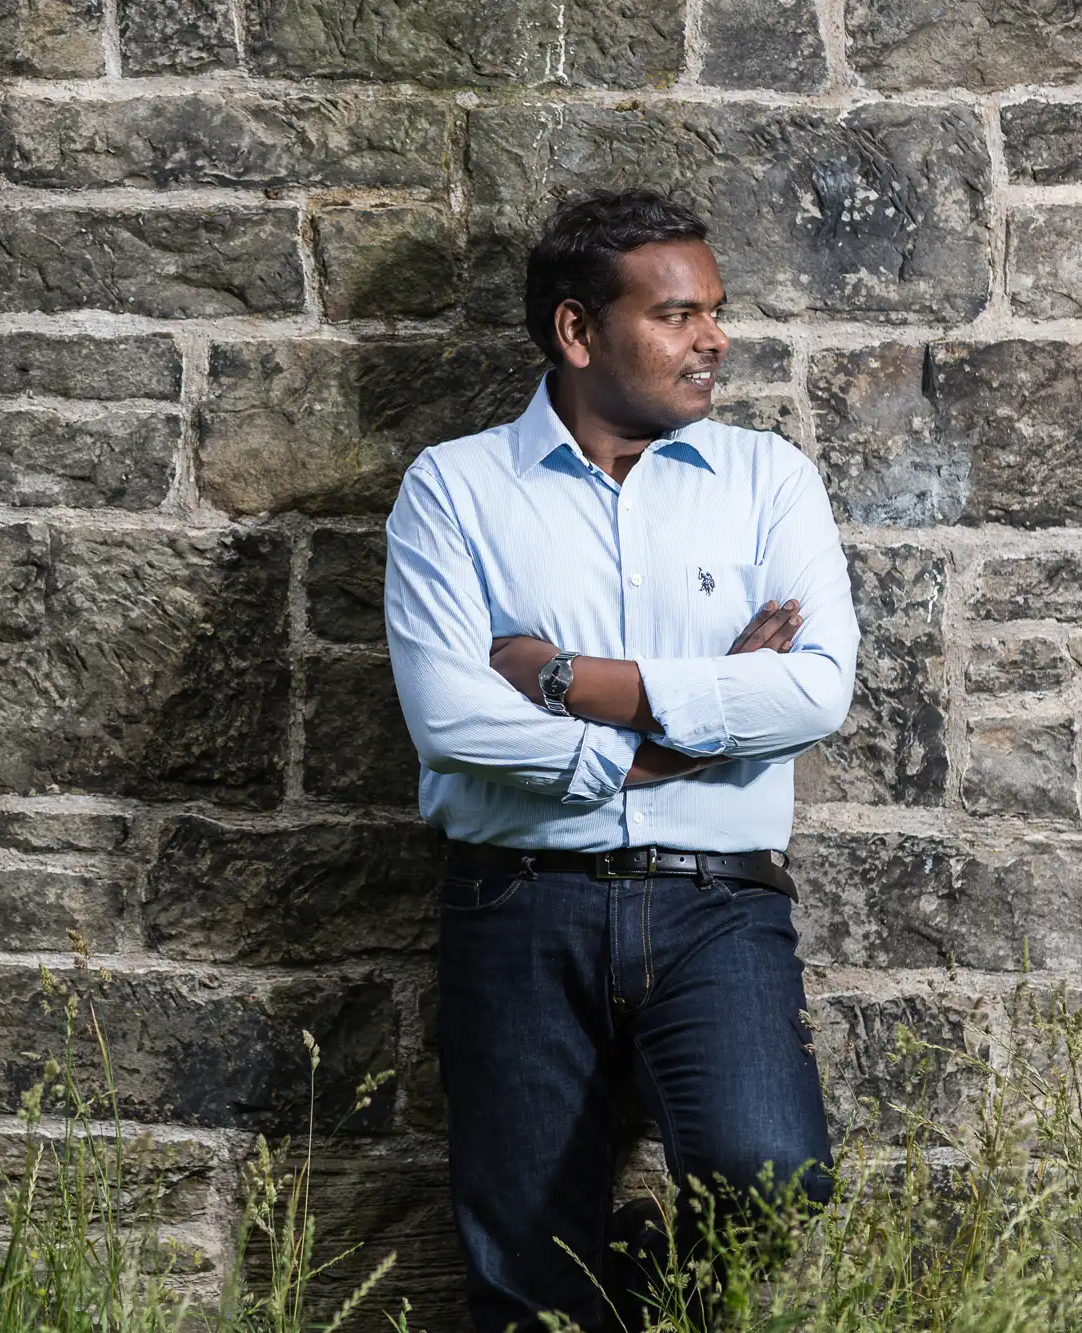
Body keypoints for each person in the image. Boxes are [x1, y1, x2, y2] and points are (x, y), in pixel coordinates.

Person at [383, 190, 859, 1332]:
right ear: (576, 331)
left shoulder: (764, 480)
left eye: (715, 312)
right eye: (678, 315)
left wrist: (571, 679)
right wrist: (684, 733)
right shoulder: (454, 490)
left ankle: (643, 1296)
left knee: (770, 1172)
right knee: (520, 1263)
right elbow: (450, 720)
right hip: (515, 899)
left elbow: (811, 688)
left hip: (717, 910)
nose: (715, 339)